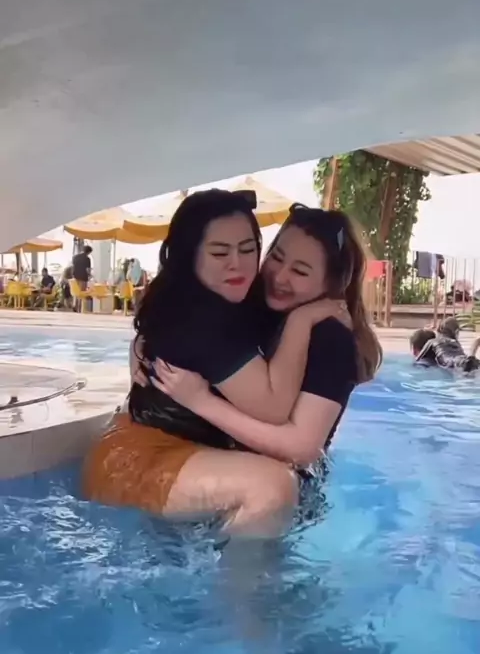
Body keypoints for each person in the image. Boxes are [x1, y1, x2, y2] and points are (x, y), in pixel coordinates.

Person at [83, 191, 352, 536]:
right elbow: (273, 409)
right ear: (191, 255)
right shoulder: (211, 316)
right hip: (136, 461)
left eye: (248, 249)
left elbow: (301, 447)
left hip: (159, 453)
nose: (238, 264)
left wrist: (147, 348)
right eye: (220, 253)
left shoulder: (254, 305)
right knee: (271, 488)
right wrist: (302, 321)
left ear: (331, 283)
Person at [148, 204, 381, 468]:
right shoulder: (254, 302)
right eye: (277, 258)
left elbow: (301, 449)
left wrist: (201, 402)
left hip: (285, 481)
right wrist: (142, 349)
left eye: (300, 271)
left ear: (332, 283)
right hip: (221, 462)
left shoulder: (331, 339)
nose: (280, 277)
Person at [410, 317, 480, 372]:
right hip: (460, 361)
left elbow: (420, 355)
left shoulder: (432, 341)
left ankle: (471, 355)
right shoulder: (455, 343)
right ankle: (471, 355)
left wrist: (415, 362)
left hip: (450, 362)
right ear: (456, 332)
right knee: (465, 362)